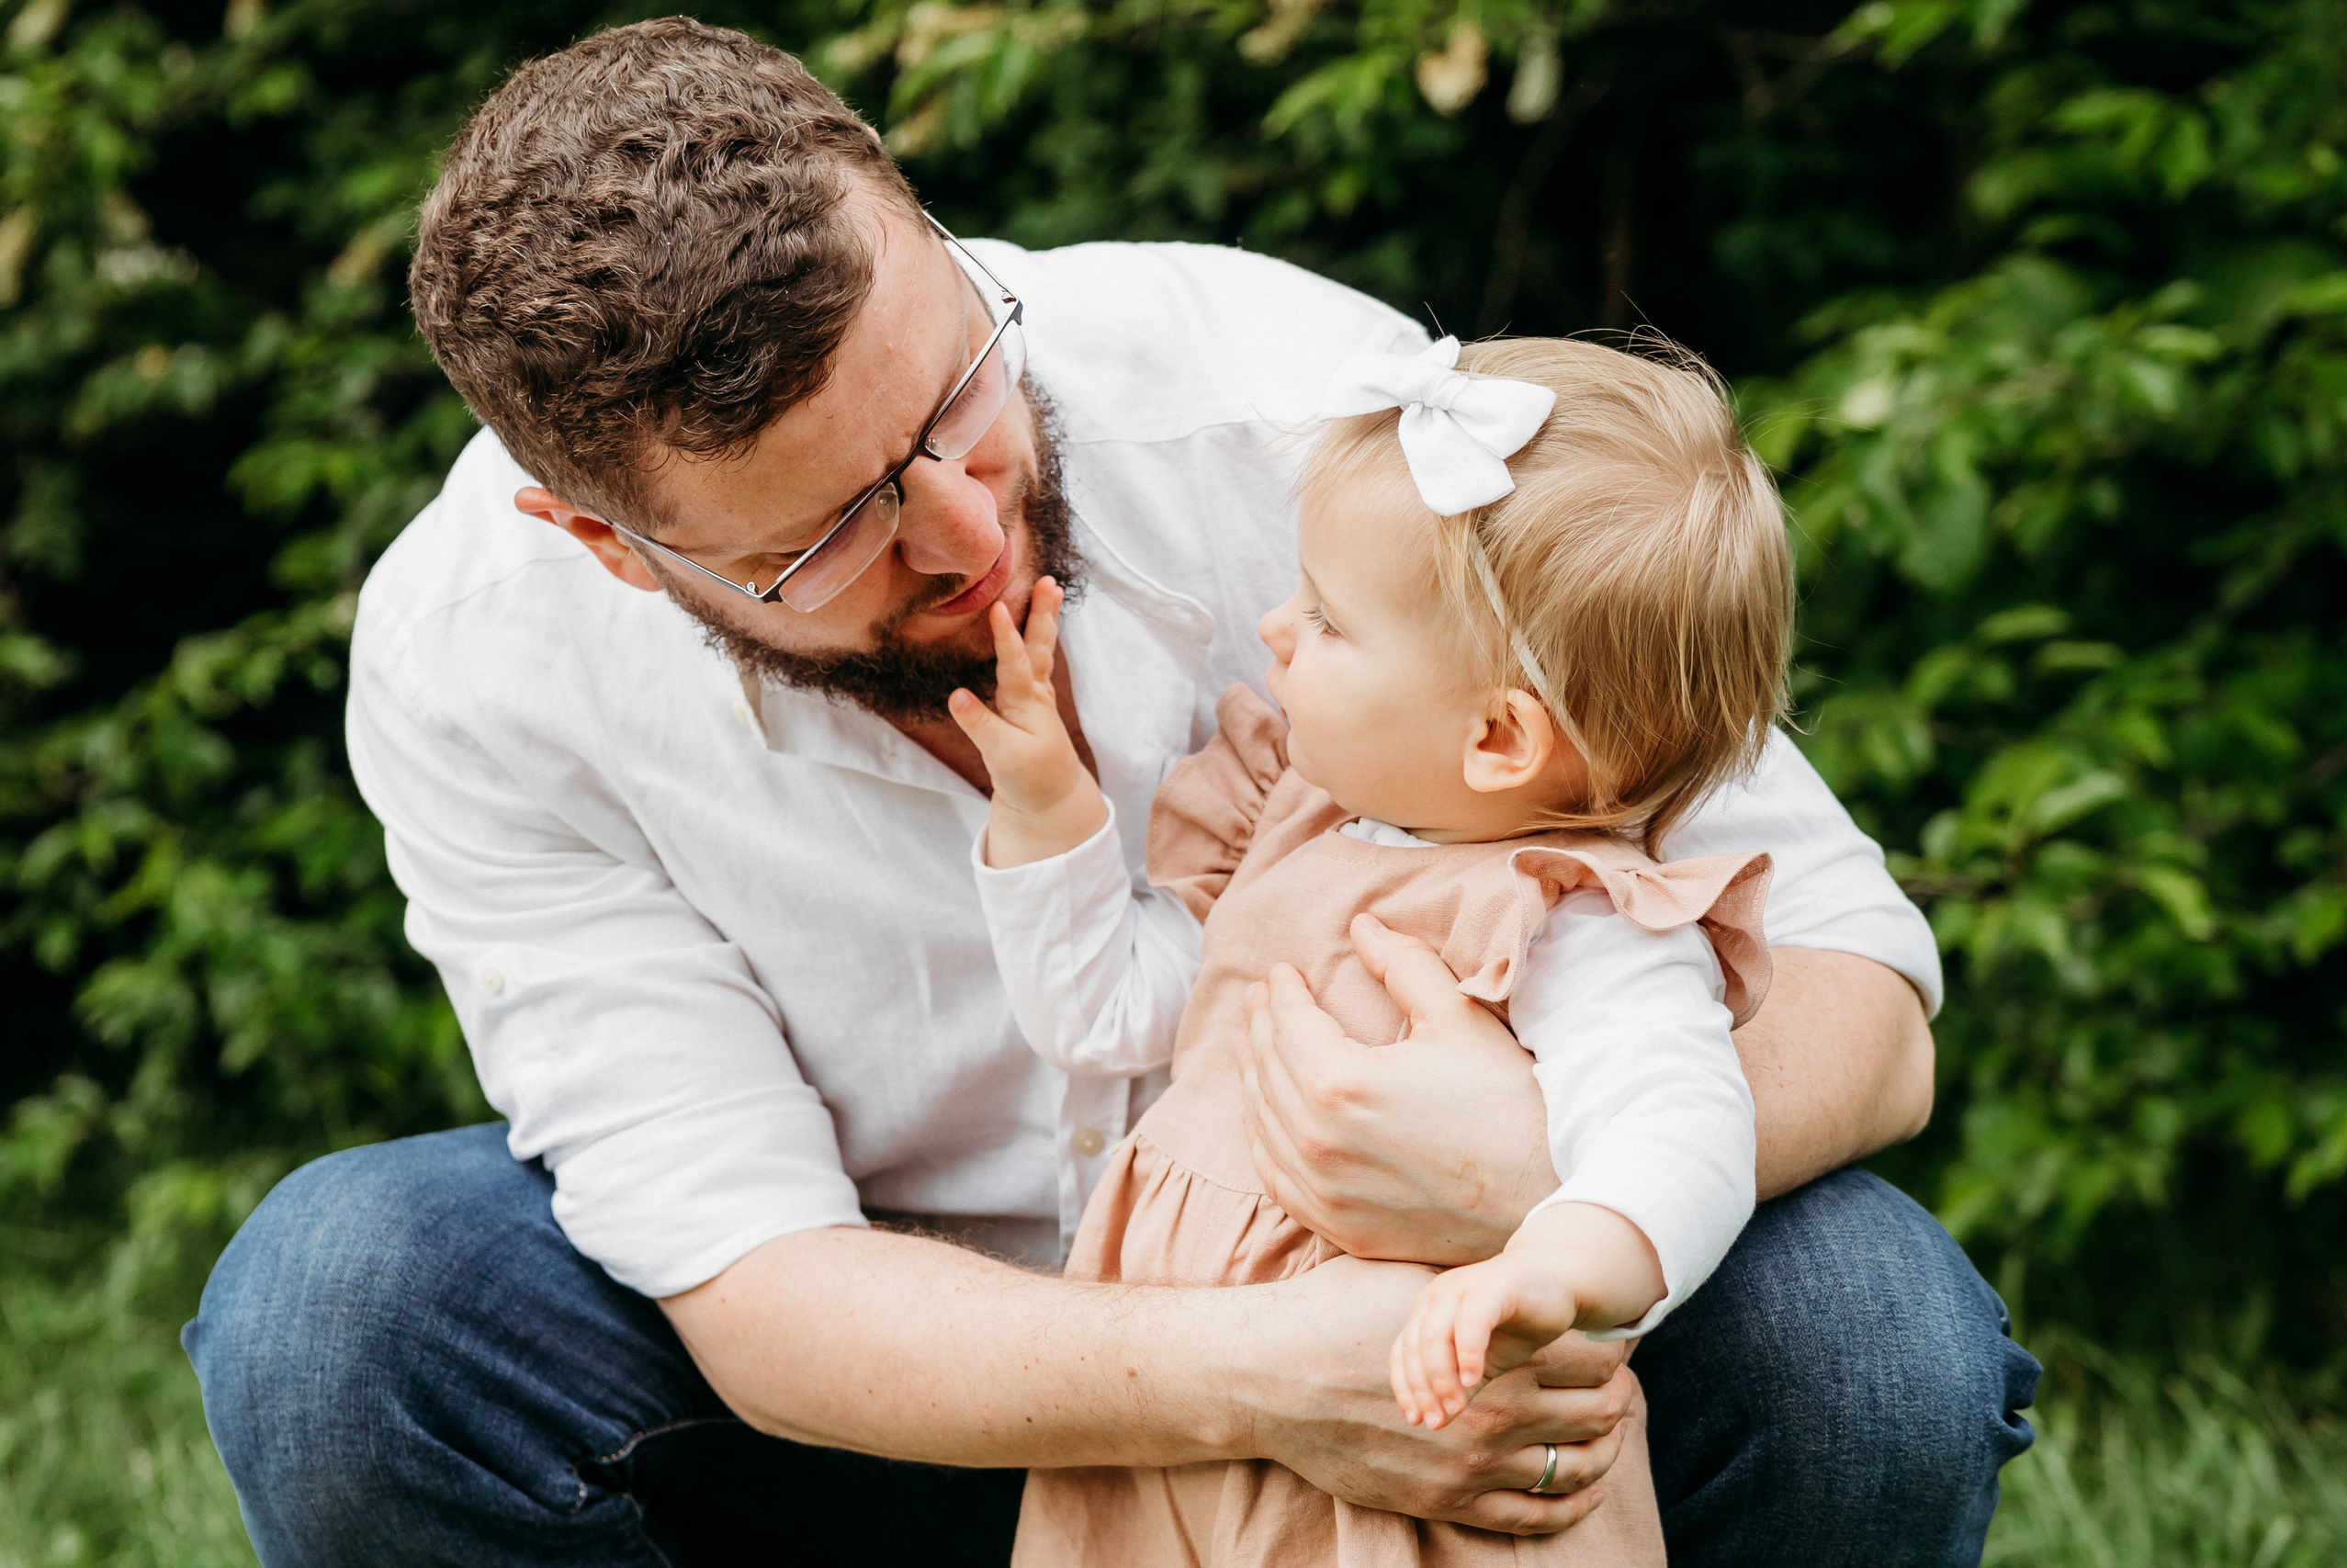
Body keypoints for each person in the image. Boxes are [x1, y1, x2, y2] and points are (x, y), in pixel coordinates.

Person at [181, 17, 2039, 1568]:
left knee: (1866, 1332)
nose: (969, 534)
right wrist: (1259, 1372)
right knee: (346, 1305)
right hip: (905, 1401)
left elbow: (1865, 1009)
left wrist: (1546, 1182)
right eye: (833, 536)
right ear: (603, 540)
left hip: (1462, 1362)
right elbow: (754, 1276)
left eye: (955, 400)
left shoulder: (1316, 428)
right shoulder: (483, 661)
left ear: (926, 227)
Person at [953, 333, 1787, 1566]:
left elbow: (1683, 1124)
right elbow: (1106, 1018)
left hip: (1404, 1454)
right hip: (1179, 1427)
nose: (1276, 628)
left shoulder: (1569, 916)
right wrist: (1043, 814)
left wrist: (1556, 1270)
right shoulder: (1292, 828)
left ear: (1498, 740)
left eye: (1328, 620)